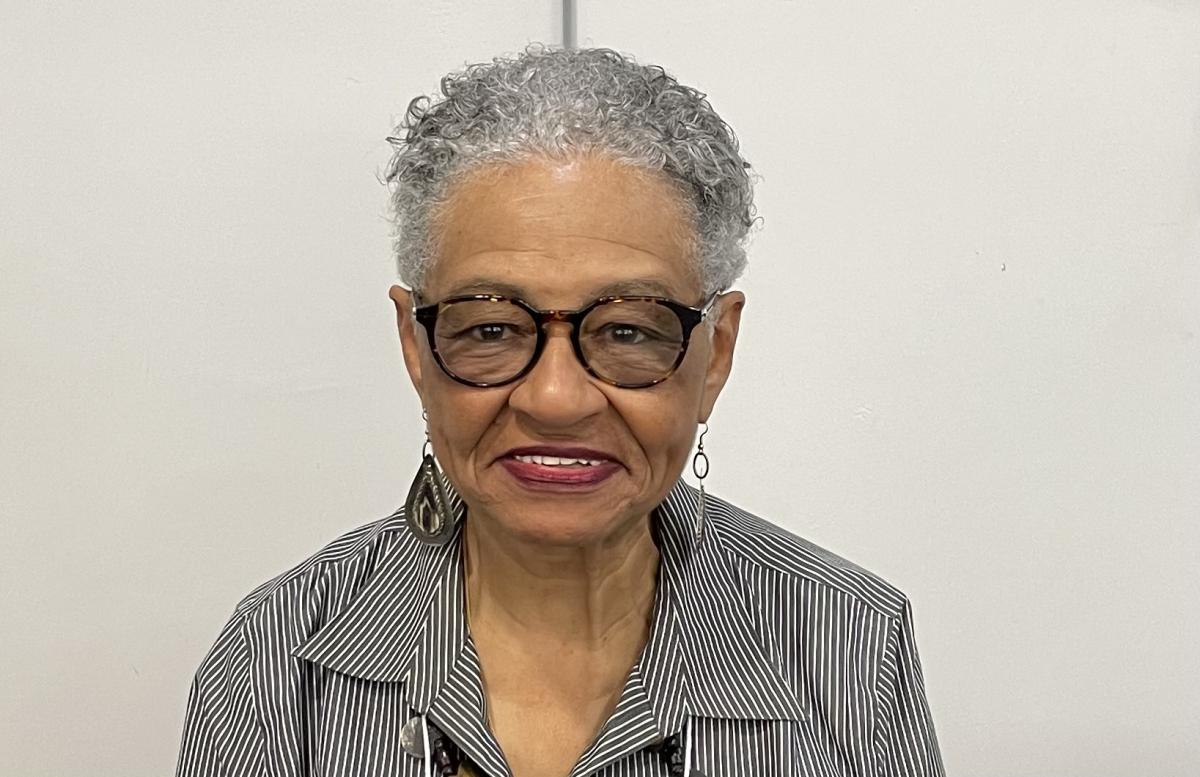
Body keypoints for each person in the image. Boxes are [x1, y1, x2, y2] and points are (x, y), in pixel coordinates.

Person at [176, 46, 944, 777]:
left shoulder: (849, 643)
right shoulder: (276, 661)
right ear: (415, 347)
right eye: (488, 327)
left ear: (716, 352)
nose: (555, 398)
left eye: (628, 329)